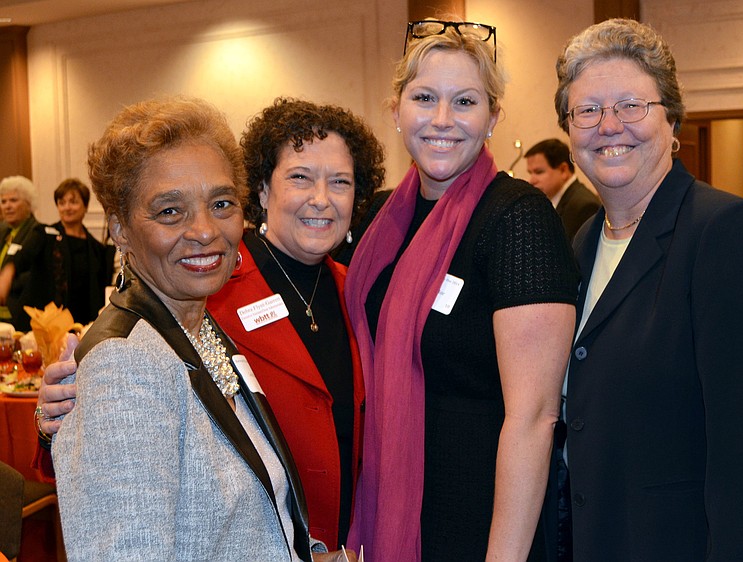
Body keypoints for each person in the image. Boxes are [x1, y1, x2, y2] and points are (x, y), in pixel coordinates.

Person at [35, 97, 385, 553]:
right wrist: (56, 417)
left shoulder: (202, 324)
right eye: (170, 211)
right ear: (119, 229)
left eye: (220, 203)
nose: (204, 230)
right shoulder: (142, 346)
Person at [554, 19, 743, 560]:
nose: (609, 126)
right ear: (570, 134)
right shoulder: (582, 243)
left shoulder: (723, 231)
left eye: (631, 105)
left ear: (672, 121)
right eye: (587, 110)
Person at [344, 20, 580, 561]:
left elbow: (535, 418)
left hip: (482, 523)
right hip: (392, 511)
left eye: (465, 102)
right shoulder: (382, 217)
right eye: (424, 97)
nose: (442, 119)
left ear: (493, 117)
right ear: (396, 110)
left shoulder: (518, 219)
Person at [207, 97, 383, 549]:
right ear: (262, 190)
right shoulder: (210, 289)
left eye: (340, 182)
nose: (321, 199)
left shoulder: (359, 292)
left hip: (347, 547)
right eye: (300, 177)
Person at [0, 179, 113, 327]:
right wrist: (7, 274)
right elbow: (23, 257)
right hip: (47, 324)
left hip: (82, 324)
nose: (67, 207)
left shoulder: (96, 248)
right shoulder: (44, 234)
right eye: (62, 203)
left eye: (73, 202)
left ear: (85, 206)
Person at [524, 138, 600, 240]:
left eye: (539, 172)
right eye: (530, 173)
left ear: (563, 170)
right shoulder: (557, 200)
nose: (532, 180)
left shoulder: (584, 206)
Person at [0, 176, 41, 328]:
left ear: (28, 204)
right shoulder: (3, 230)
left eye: (13, 200)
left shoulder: (36, 232)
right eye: (3, 201)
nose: (7, 206)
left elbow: (33, 275)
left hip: (20, 314)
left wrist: (7, 283)